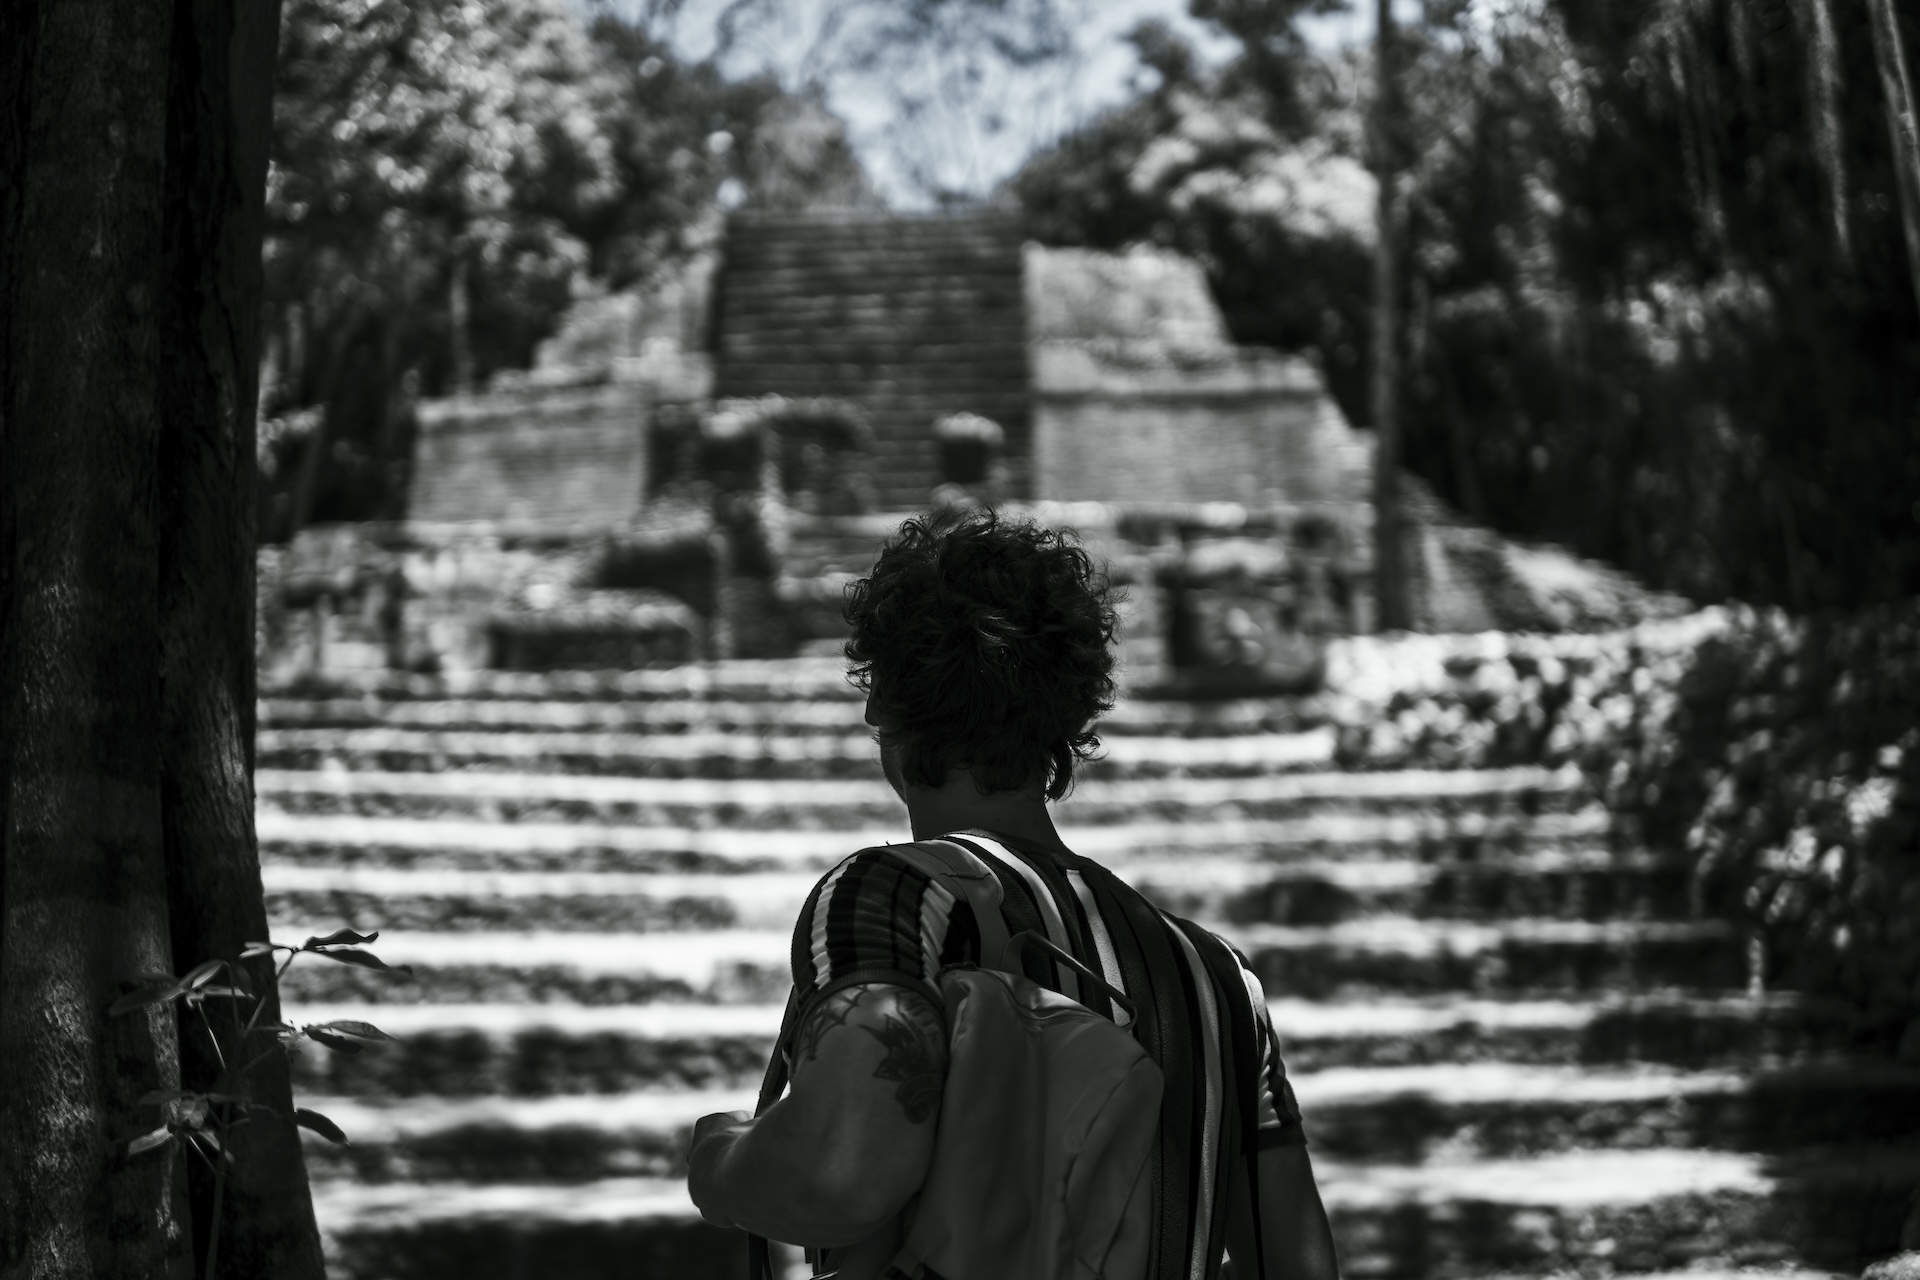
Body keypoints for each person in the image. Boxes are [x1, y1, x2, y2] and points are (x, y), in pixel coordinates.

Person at [688, 508, 1340, 1280]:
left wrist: (720, 1158)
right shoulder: (1222, 981)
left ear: (881, 713)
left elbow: (837, 1171)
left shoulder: (893, 898)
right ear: (1069, 724)